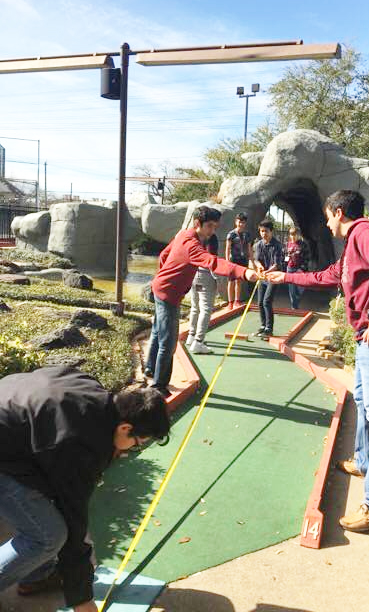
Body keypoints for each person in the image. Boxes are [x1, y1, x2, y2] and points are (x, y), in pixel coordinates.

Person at [266, 190, 369, 532]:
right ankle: (365, 462)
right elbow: (328, 276)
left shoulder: (364, 232)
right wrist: (285, 277)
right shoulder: (352, 244)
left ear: (338, 211)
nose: (327, 223)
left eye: (328, 216)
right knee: (363, 400)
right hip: (368, 334)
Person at [0, 365, 170, 612]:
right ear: (125, 428)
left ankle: (36, 577)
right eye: (137, 443)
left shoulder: (92, 391)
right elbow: (74, 519)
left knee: (45, 510)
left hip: (12, 435)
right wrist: (82, 599)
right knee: (49, 535)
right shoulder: (80, 446)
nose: (132, 450)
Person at [145, 206, 258, 393]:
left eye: (215, 226)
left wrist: (163, 276)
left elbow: (164, 254)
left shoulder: (183, 234)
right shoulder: (192, 244)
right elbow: (212, 262)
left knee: (158, 331)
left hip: (161, 288)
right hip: (167, 295)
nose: (213, 230)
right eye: (210, 226)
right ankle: (158, 387)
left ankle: (150, 367)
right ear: (197, 223)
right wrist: (243, 271)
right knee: (169, 343)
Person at [186, 232, 219, 355]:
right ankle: (198, 342)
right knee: (205, 309)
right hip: (206, 275)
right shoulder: (212, 237)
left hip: (195, 273)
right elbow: (211, 259)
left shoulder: (197, 236)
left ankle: (191, 336)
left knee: (195, 307)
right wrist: (217, 279)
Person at [253, 219, 283, 339]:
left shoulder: (277, 245)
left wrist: (267, 272)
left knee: (267, 301)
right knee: (260, 302)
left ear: (271, 231)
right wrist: (260, 267)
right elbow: (256, 259)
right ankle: (263, 325)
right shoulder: (259, 244)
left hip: (273, 276)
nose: (263, 234)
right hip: (263, 277)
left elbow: (277, 264)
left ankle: (269, 329)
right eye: (261, 231)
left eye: (265, 231)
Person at [225, 212, 254, 309]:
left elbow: (249, 248)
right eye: (239, 222)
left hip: (243, 260)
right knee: (231, 281)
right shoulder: (231, 234)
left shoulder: (247, 234)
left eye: (243, 222)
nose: (241, 224)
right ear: (236, 221)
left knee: (239, 281)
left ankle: (237, 301)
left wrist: (252, 261)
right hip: (233, 260)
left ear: (245, 223)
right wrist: (227, 261)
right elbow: (227, 248)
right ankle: (230, 302)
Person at [285, 226, 309, 310]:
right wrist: (287, 257)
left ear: (298, 235)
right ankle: (294, 308)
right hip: (290, 269)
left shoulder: (303, 244)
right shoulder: (287, 244)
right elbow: (284, 256)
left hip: (299, 269)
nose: (293, 236)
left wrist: (301, 269)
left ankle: (296, 302)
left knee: (300, 288)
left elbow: (307, 258)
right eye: (291, 234)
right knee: (291, 291)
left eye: (295, 234)